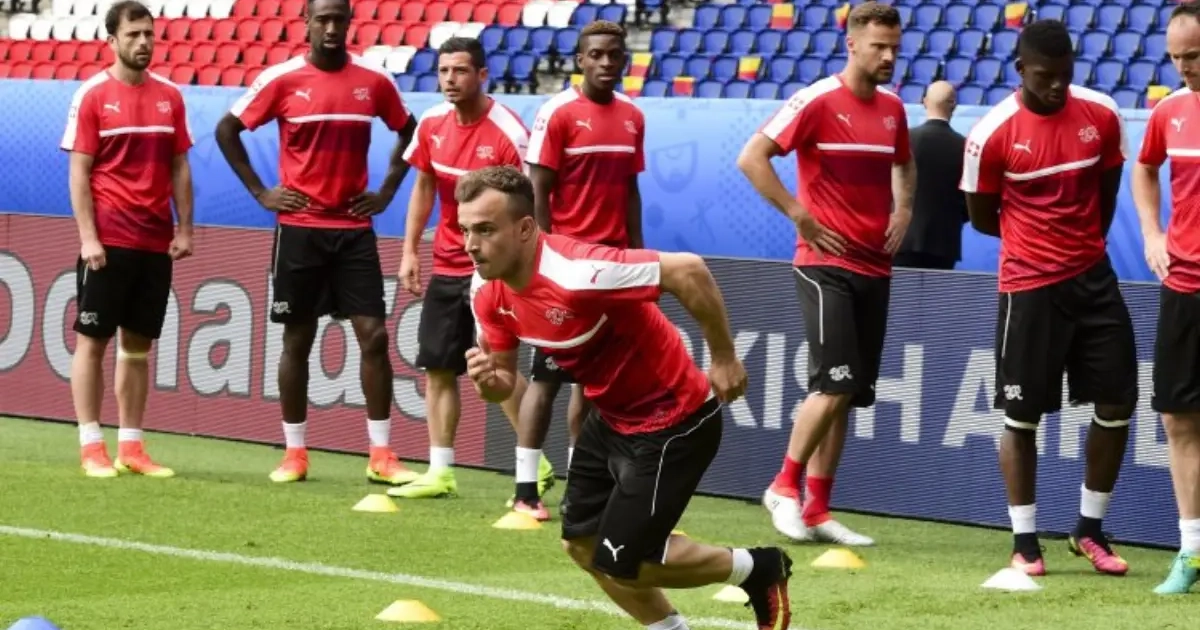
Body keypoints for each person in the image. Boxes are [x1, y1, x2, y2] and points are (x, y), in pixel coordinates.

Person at [460, 165, 792, 630]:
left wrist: (723, 357)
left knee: (624, 562)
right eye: (465, 230)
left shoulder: (577, 273)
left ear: (525, 228)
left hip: (676, 417)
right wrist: (486, 383)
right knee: (580, 545)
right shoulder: (485, 289)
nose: (470, 244)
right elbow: (502, 381)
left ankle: (758, 568)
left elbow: (688, 270)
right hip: (611, 417)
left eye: (485, 230)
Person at [214, 0, 419, 485]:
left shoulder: (374, 81)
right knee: (297, 340)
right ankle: (295, 453)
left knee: (374, 335)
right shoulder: (282, 79)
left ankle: (381, 454)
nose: (330, 27)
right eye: (322, 19)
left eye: (338, 19)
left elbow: (411, 134)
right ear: (305, 22)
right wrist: (261, 192)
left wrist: (386, 192)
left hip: (353, 231)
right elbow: (226, 131)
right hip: (300, 230)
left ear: (349, 23)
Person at [960, 18, 1136, 577]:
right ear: (1020, 70)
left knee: (1117, 403)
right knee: (1022, 415)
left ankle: (1089, 529)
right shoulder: (991, 134)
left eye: (1065, 73)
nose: (1058, 85)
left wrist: (1080, 247)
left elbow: (1106, 193)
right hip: (1030, 287)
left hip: (1094, 280)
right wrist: (1038, 242)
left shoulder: (1102, 114)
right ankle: (1025, 540)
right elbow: (982, 217)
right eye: (1044, 76)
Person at [735, 0, 914, 547]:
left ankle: (817, 509)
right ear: (851, 44)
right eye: (879, 47)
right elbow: (752, 157)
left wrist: (904, 209)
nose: (888, 57)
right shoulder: (814, 100)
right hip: (824, 264)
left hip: (875, 266)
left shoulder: (894, 108)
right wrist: (799, 215)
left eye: (894, 48)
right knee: (833, 383)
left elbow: (904, 163)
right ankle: (782, 487)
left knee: (848, 392)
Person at [390, 36, 554, 508]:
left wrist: (522, 267)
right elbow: (423, 186)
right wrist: (410, 251)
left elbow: (527, 206)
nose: (450, 79)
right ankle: (440, 471)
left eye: (460, 71)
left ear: (482, 75)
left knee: (495, 367)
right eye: (443, 71)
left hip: (493, 270)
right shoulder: (431, 123)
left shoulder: (507, 132)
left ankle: (536, 463)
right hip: (446, 264)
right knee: (439, 366)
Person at [61, 0, 195, 479]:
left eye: (149, 34)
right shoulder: (93, 95)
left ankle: (132, 447)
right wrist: (88, 238)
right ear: (112, 40)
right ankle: (91, 445)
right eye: (133, 34)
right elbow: (79, 172)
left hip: (154, 243)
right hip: (108, 241)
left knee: (138, 348)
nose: (143, 42)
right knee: (92, 342)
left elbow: (179, 165)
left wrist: (184, 227)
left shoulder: (170, 97)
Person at [518, 18, 646, 513]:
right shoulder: (557, 113)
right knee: (547, 378)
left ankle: (580, 489)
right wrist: (545, 257)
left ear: (625, 59)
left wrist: (637, 256)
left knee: (593, 386)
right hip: (566, 266)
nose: (606, 62)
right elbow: (538, 191)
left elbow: (630, 191)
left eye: (614, 55)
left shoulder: (633, 116)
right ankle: (525, 491)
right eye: (596, 55)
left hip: (612, 267)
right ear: (580, 60)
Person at [1132, 2, 1200, 595]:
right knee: (1177, 417)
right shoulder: (1169, 111)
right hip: (1183, 286)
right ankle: (1192, 551)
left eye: (1194, 55)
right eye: (1176, 57)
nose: (1183, 68)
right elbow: (1144, 169)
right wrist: (1152, 232)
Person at [895, 80, 968, 271]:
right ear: (954, 105)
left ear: (924, 102)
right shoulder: (965, 147)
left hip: (901, 237)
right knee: (937, 292)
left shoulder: (904, 139)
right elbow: (970, 199)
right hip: (943, 243)